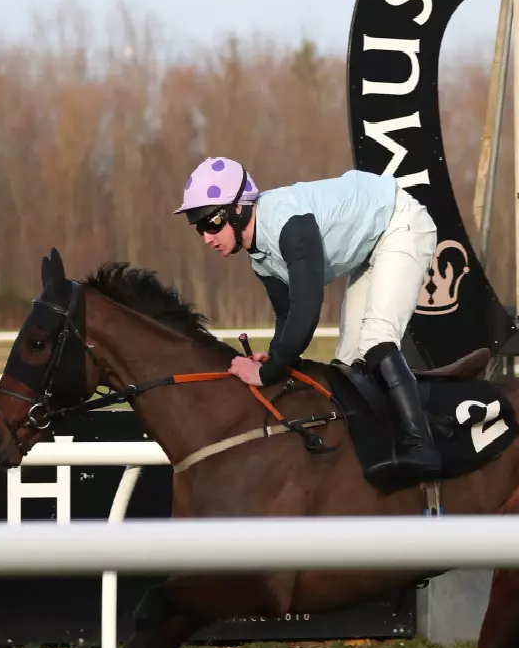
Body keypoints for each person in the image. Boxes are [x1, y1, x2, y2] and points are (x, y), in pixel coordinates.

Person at [173, 156, 442, 479]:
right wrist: (274, 358)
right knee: (347, 361)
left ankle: (421, 446)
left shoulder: (289, 225)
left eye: (212, 223)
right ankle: (379, 443)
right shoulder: (258, 256)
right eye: (199, 226)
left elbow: (307, 307)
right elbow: (286, 314)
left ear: (239, 209)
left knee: (376, 340)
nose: (206, 236)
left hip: (400, 224)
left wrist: (269, 371)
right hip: (370, 247)